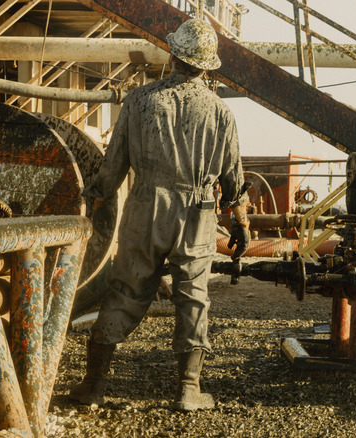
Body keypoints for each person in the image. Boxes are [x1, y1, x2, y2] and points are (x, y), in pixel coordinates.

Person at [69, 18, 251, 412]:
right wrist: (241, 221)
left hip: (145, 207)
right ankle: (188, 389)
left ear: (173, 57)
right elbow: (233, 178)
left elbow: (114, 165)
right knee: (193, 298)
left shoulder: (139, 101)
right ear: (207, 67)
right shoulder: (220, 112)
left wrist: (95, 200)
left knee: (125, 292)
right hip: (197, 213)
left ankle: (93, 386)